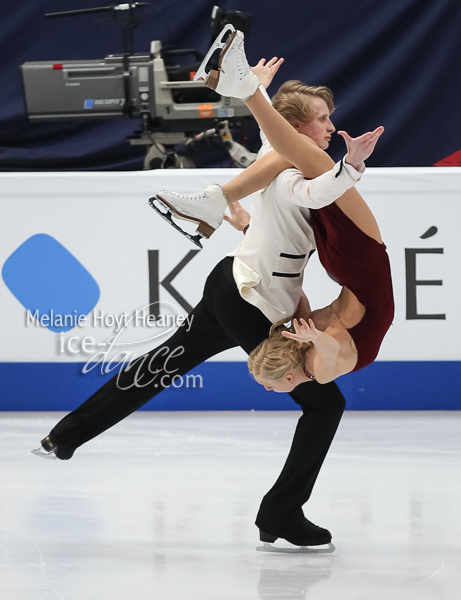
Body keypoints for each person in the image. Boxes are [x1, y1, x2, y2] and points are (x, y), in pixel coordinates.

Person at [32, 42, 376, 552]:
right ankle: (280, 512)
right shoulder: (295, 173)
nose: (329, 128)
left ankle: (66, 436)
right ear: (299, 128)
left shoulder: (275, 155)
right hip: (253, 301)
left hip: (229, 282)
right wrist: (349, 167)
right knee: (325, 403)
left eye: (329, 118)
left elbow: (274, 139)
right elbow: (317, 191)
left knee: (165, 362)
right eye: (321, 119)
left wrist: (252, 89)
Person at [158, 27, 394, 389]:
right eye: (269, 386)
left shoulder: (301, 330)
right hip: (363, 265)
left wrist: (250, 229)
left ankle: (246, 95)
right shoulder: (318, 366)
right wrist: (351, 167)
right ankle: (246, 90)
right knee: (305, 156)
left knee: (291, 154)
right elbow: (330, 353)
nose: (270, 391)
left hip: (341, 262)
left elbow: (295, 287)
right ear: (288, 376)